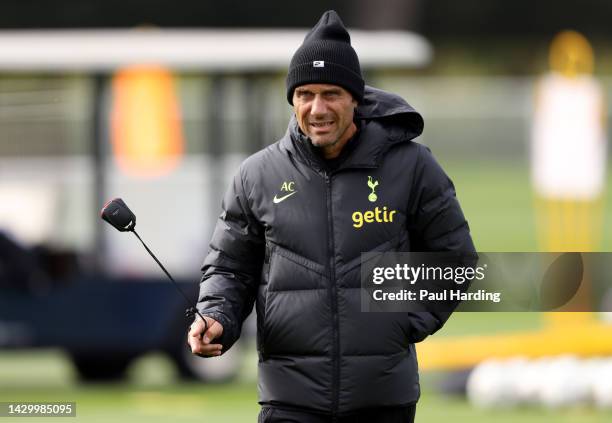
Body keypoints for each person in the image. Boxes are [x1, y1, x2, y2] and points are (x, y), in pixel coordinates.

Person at [187, 10, 475, 422]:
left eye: (330, 94)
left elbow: (455, 258)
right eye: (305, 94)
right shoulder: (256, 175)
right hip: (289, 401)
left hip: (382, 400)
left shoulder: (413, 167)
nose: (317, 108)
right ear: (292, 100)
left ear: (355, 98)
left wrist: (404, 322)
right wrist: (216, 317)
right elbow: (230, 268)